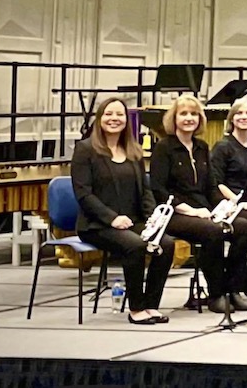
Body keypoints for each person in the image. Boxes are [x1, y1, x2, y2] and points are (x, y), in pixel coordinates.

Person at [71, 97, 175, 325]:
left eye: (119, 115)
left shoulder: (133, 151)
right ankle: (136, 308)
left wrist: (151, 220)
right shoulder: (85, 149)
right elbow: (83, 194)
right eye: (108, 114)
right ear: (99, 118)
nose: (114, 119)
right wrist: (112, 218)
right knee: (135, 245)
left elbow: (144, 191)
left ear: (126, 120)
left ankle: (151, 305)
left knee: (166, 244)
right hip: (96, 225)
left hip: (132, 221)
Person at [151, 94, 247, 314]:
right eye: (184, 114)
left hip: (203, 210)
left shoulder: (201, 147)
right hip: (174, 212)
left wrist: (228, 208)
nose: (189, 118)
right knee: (213, 231)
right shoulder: (164, 147)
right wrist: (191, 211)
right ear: (174, 118)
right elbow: (160, 191)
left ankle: (233, 290)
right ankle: (216, 294)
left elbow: (211, 188)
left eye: (194, 114)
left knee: (243, 226)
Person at [209, 96, 247, 314]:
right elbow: (217, 183)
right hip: (230, 205)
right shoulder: (223, 146)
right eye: (239, 114)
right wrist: (239, 202)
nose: (244, 117)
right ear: (231, 119)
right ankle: (234, 286)